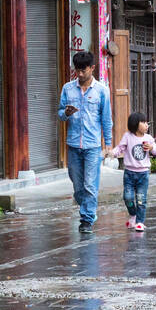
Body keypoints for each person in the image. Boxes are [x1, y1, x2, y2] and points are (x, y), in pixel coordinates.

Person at [57, 50, 113, 233]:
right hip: (73, 144)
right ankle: (88, 207)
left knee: (90, 184)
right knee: (77, 184)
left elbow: (106, 118)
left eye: (83, 71)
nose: (80, 75)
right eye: (77, 71)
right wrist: (66, 113)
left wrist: (108, 143)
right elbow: (59, 114)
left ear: (92, 68)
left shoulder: (102, 91)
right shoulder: (67, 88)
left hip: (92, 145)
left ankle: (87, 219)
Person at [113, 112, 156, 232]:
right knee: (127, 198)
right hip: (129, 173)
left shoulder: (148, 138)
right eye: (143, 122)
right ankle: (133, 215)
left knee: (141, 199)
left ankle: (140, 222)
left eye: (146, 122)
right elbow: (120, 148)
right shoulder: (128, 136)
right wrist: (112, 153)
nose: (146, 125)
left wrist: (152, 148)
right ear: (135, 124)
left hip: (143, 174)